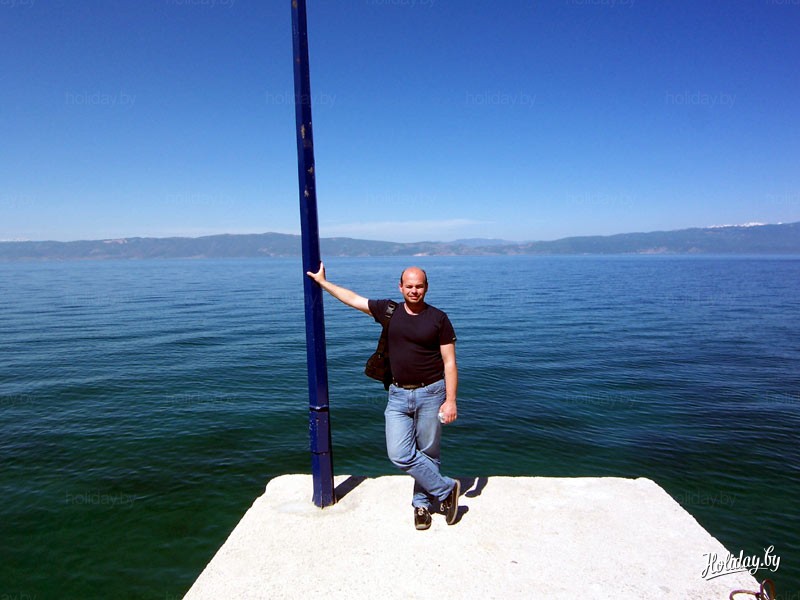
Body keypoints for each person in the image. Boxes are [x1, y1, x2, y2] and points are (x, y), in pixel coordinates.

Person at [306, 262, 460, 530]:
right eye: (409, 286)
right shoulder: (389, 311)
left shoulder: (439, 319)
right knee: (400, 453)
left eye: (419, 286)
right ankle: (446, 489)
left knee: (428, 453)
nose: (414, 291)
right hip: (397, 394)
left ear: (426, 287)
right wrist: (324, 283)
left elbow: (449, 362)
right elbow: (353, 299)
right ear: (400, 287)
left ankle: (422, 504)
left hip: (432, 392)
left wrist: (451, 400)